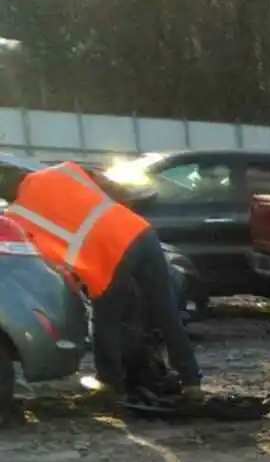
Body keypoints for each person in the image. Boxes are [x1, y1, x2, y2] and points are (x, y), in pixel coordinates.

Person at [7, 160, 202, 402]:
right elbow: (114, 188)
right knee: (166, 311)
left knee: (104, 319)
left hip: (108, 257)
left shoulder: (16, 217)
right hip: (138, 232)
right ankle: (192, 381)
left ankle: (110, 382)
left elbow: (46, 258)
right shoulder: (63, 170)